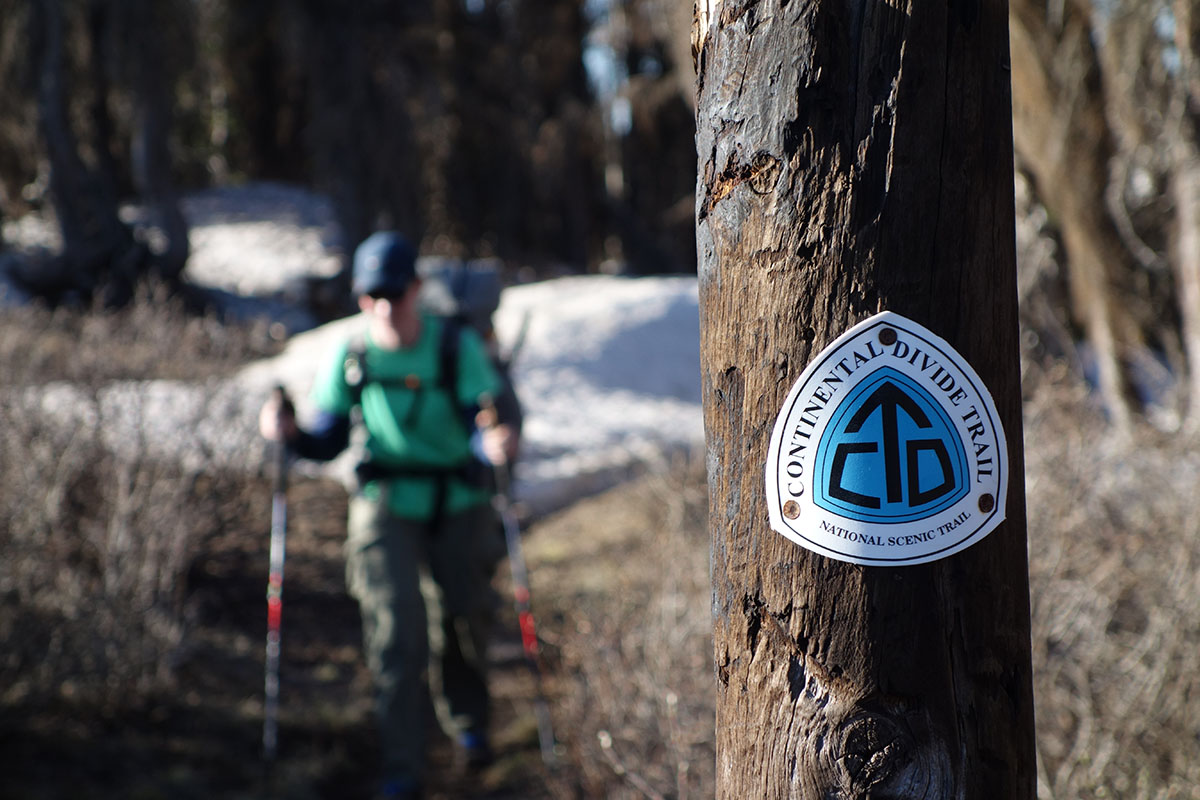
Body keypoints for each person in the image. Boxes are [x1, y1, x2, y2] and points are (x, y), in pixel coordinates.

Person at [259, 231, 517, 800]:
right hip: (383, 500)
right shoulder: (353, 355)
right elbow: (327, 438)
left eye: (393, 294)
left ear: (416, 289)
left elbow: (483, 419)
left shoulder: (453, 345)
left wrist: (494, 444)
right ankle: (403, 767)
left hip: (457, 499)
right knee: (395, 633)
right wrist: (289, 432)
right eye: (372, 296)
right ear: (360, 298)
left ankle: (469, 728)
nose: (383, 307)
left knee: (464, 617)